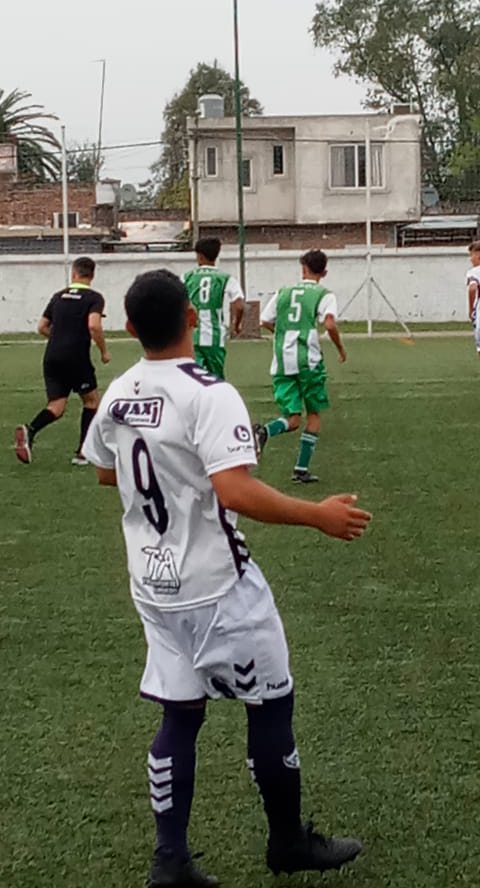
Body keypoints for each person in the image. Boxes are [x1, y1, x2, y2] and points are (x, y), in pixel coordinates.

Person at [82, 268, 371, 888]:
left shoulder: (118, 391)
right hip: (217, 584)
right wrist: (317, 516)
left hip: (153, 584)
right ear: (193, 316)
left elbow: (107, 473)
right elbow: (234, 489)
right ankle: (288, 842)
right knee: (270, 701)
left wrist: (172, 468)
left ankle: (171, 861)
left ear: (130, 329)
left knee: (179, 715)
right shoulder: (209, 392)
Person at [253, 249, 346, 484]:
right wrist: (340, 348)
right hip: (309, 362)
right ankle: (301, 469)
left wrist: (282, 336)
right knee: (313, 415)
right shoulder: (324, 294)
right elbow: (330, 324)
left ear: (302, 268)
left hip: (282, 362)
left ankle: (264, 431)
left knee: (292, 419)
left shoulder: (283, 292)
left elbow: (264, 320)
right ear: (324, 272)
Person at [14, 256, 110, 466]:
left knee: (56, 406)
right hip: (77, 357)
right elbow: (94, 326)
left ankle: (30, 431)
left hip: (52, 356)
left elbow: (41, 326)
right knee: (92, 401)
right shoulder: (94, 298)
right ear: (92, 275)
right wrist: (104, 351)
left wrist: (59, 340)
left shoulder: (58, 296)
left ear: (73, 274)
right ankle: (83, 453)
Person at [182, 236, 244, 378]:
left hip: (193, 336)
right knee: (216, 379)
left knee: (192, 377)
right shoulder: (225, 278)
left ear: (199, 255)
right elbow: (239, 305)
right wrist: (236, 325)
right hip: (215, 336)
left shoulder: (187, 277)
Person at [466, 240, 480, 357]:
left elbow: (472, 289)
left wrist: (471, 309)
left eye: (472, 255)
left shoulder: (474, 272)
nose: (470, 259)